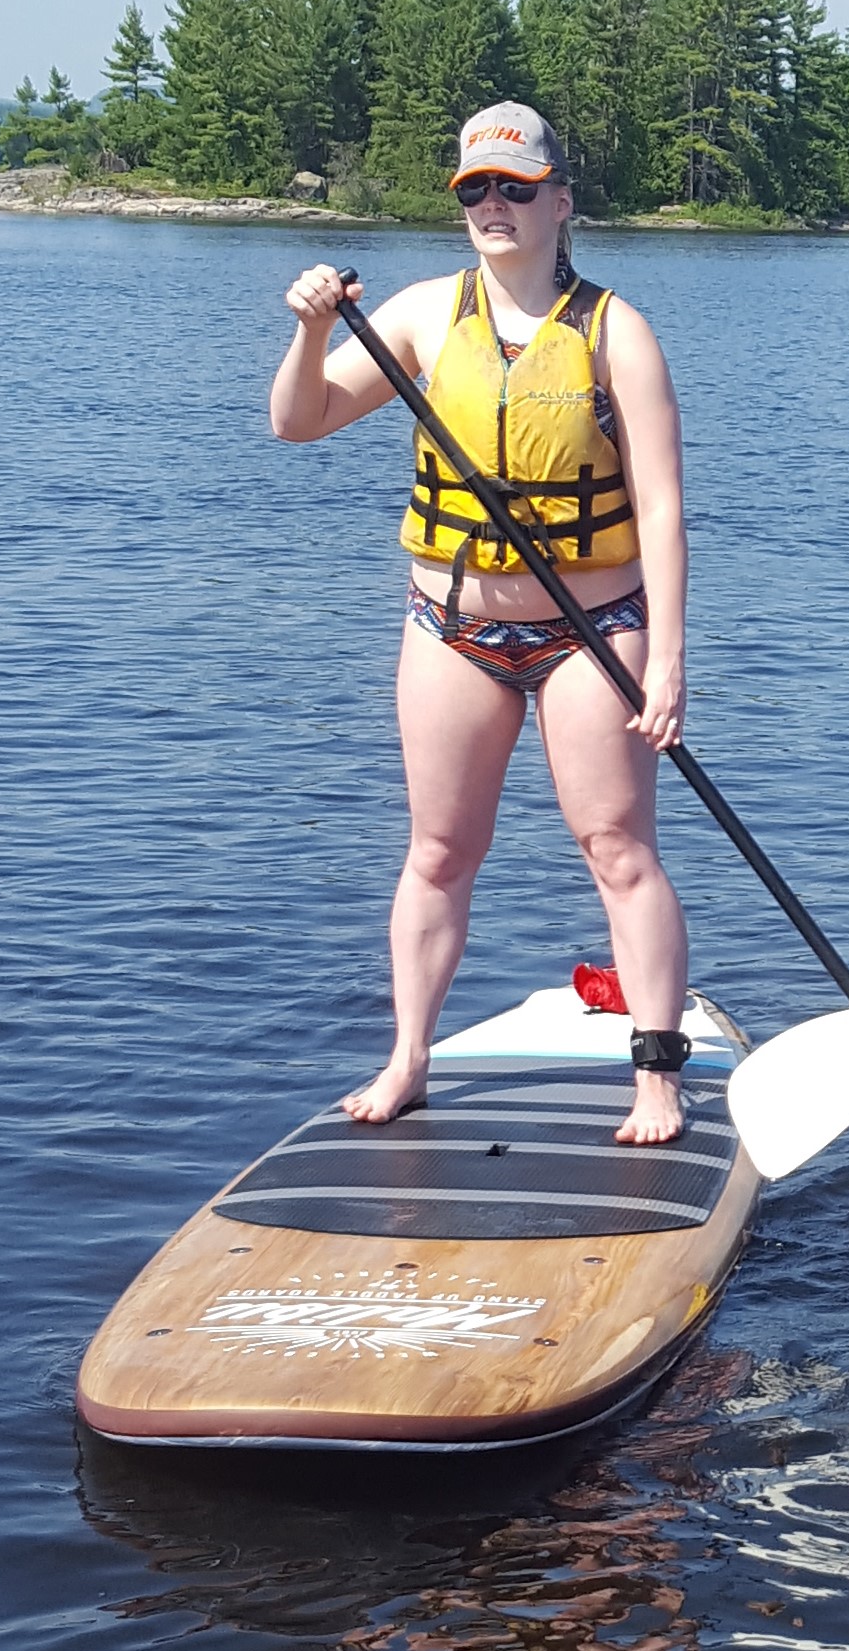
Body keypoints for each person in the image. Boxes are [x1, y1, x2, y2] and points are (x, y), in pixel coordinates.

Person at [271, 102, 696, 1144]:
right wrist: (314, 327)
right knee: (438, 849)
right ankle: (409, 1055)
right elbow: (299, 419)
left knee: (618, 850)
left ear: (560, 200)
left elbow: (664, 507)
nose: (494, 205)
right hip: (449, 629)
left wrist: (671, 658)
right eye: (476, 189)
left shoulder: (615, 332)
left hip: (592, 634)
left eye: (515, 187)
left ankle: (656, 1075)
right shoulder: (421, 314)